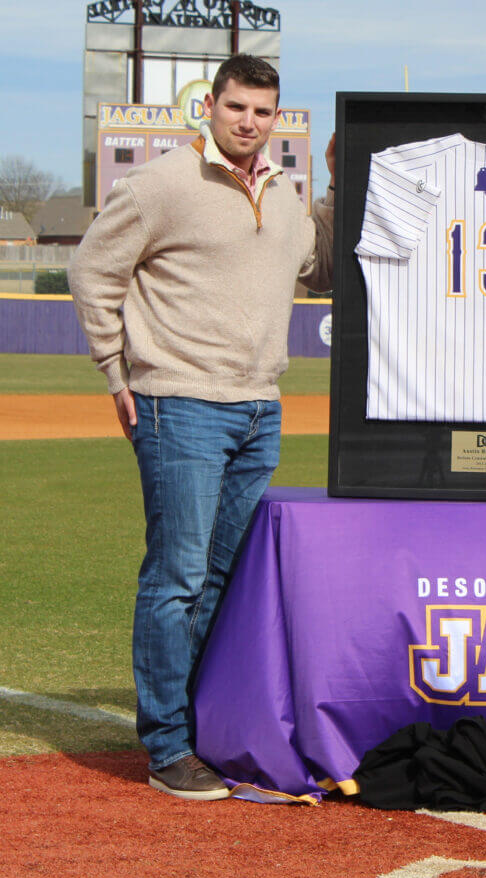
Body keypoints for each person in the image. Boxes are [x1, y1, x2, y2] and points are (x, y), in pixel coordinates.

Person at [69, 54, 334, 800]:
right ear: (209, 107)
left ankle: (193, 725)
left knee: (220, 577)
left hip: (259, 406)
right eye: (237, 107)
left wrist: (343, 181)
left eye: (263, 111)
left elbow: (321, 268)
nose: (249, 121)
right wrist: (116, 373)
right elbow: (93, 271)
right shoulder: (161, 183)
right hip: (178, 401)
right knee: (177, 577)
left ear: (275, 117)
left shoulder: (283, 193)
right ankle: (166, 748)